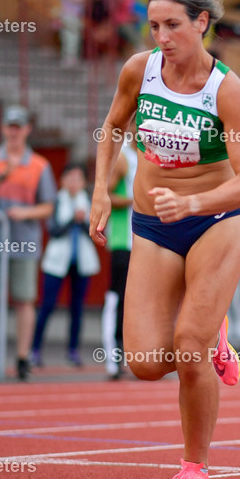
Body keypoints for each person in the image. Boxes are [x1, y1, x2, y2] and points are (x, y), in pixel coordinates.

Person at [90, 0, 240, 479]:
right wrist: (100, 191)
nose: (162, 37)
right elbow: (111, 128)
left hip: (216, 220)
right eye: (154, 26)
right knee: (143, 363)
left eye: (173, 25)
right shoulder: (139, 71)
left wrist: (191, 203)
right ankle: (212, 337)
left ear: (201, 22)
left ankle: (194, 465)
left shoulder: (226, 89)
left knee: (188, 346)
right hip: (153, 225)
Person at [0, 107, 56, 382]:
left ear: (27, 129)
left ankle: (23, 358)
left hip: (24, 241)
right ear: (2, 128)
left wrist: (26, 213)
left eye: (18, 126)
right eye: (9, 126)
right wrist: (1, 178)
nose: (14, 132)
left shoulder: (39, 165)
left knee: (24, 299)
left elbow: (48, 206)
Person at [31, 163, 99, 367]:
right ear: (62, 181)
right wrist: (72, 220)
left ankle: (73, 350)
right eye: (70, 178)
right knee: (47, 305)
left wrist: (83, 221)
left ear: (84, 182)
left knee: (77, 308)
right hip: (57, 261)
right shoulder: (56, 201)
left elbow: (96, 231)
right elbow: (54, 230)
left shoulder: (89, 201)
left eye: (78, 178)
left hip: (81, 262)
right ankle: (35, 349)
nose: (74, 182)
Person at [101, 129, 138, 379]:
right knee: (118, 298)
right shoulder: (124, 158)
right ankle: (113, 359)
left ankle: (142, 359)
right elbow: (105, 195)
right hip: (123, 241)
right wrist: (136, 201)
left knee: (143, 302)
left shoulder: (153, 157)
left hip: (147, 243)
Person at [60, 0, 85, 67]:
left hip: (77, 16)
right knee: (68, 37)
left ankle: (73, 57)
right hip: (68, 15)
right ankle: (67, 57)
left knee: (75, 38)